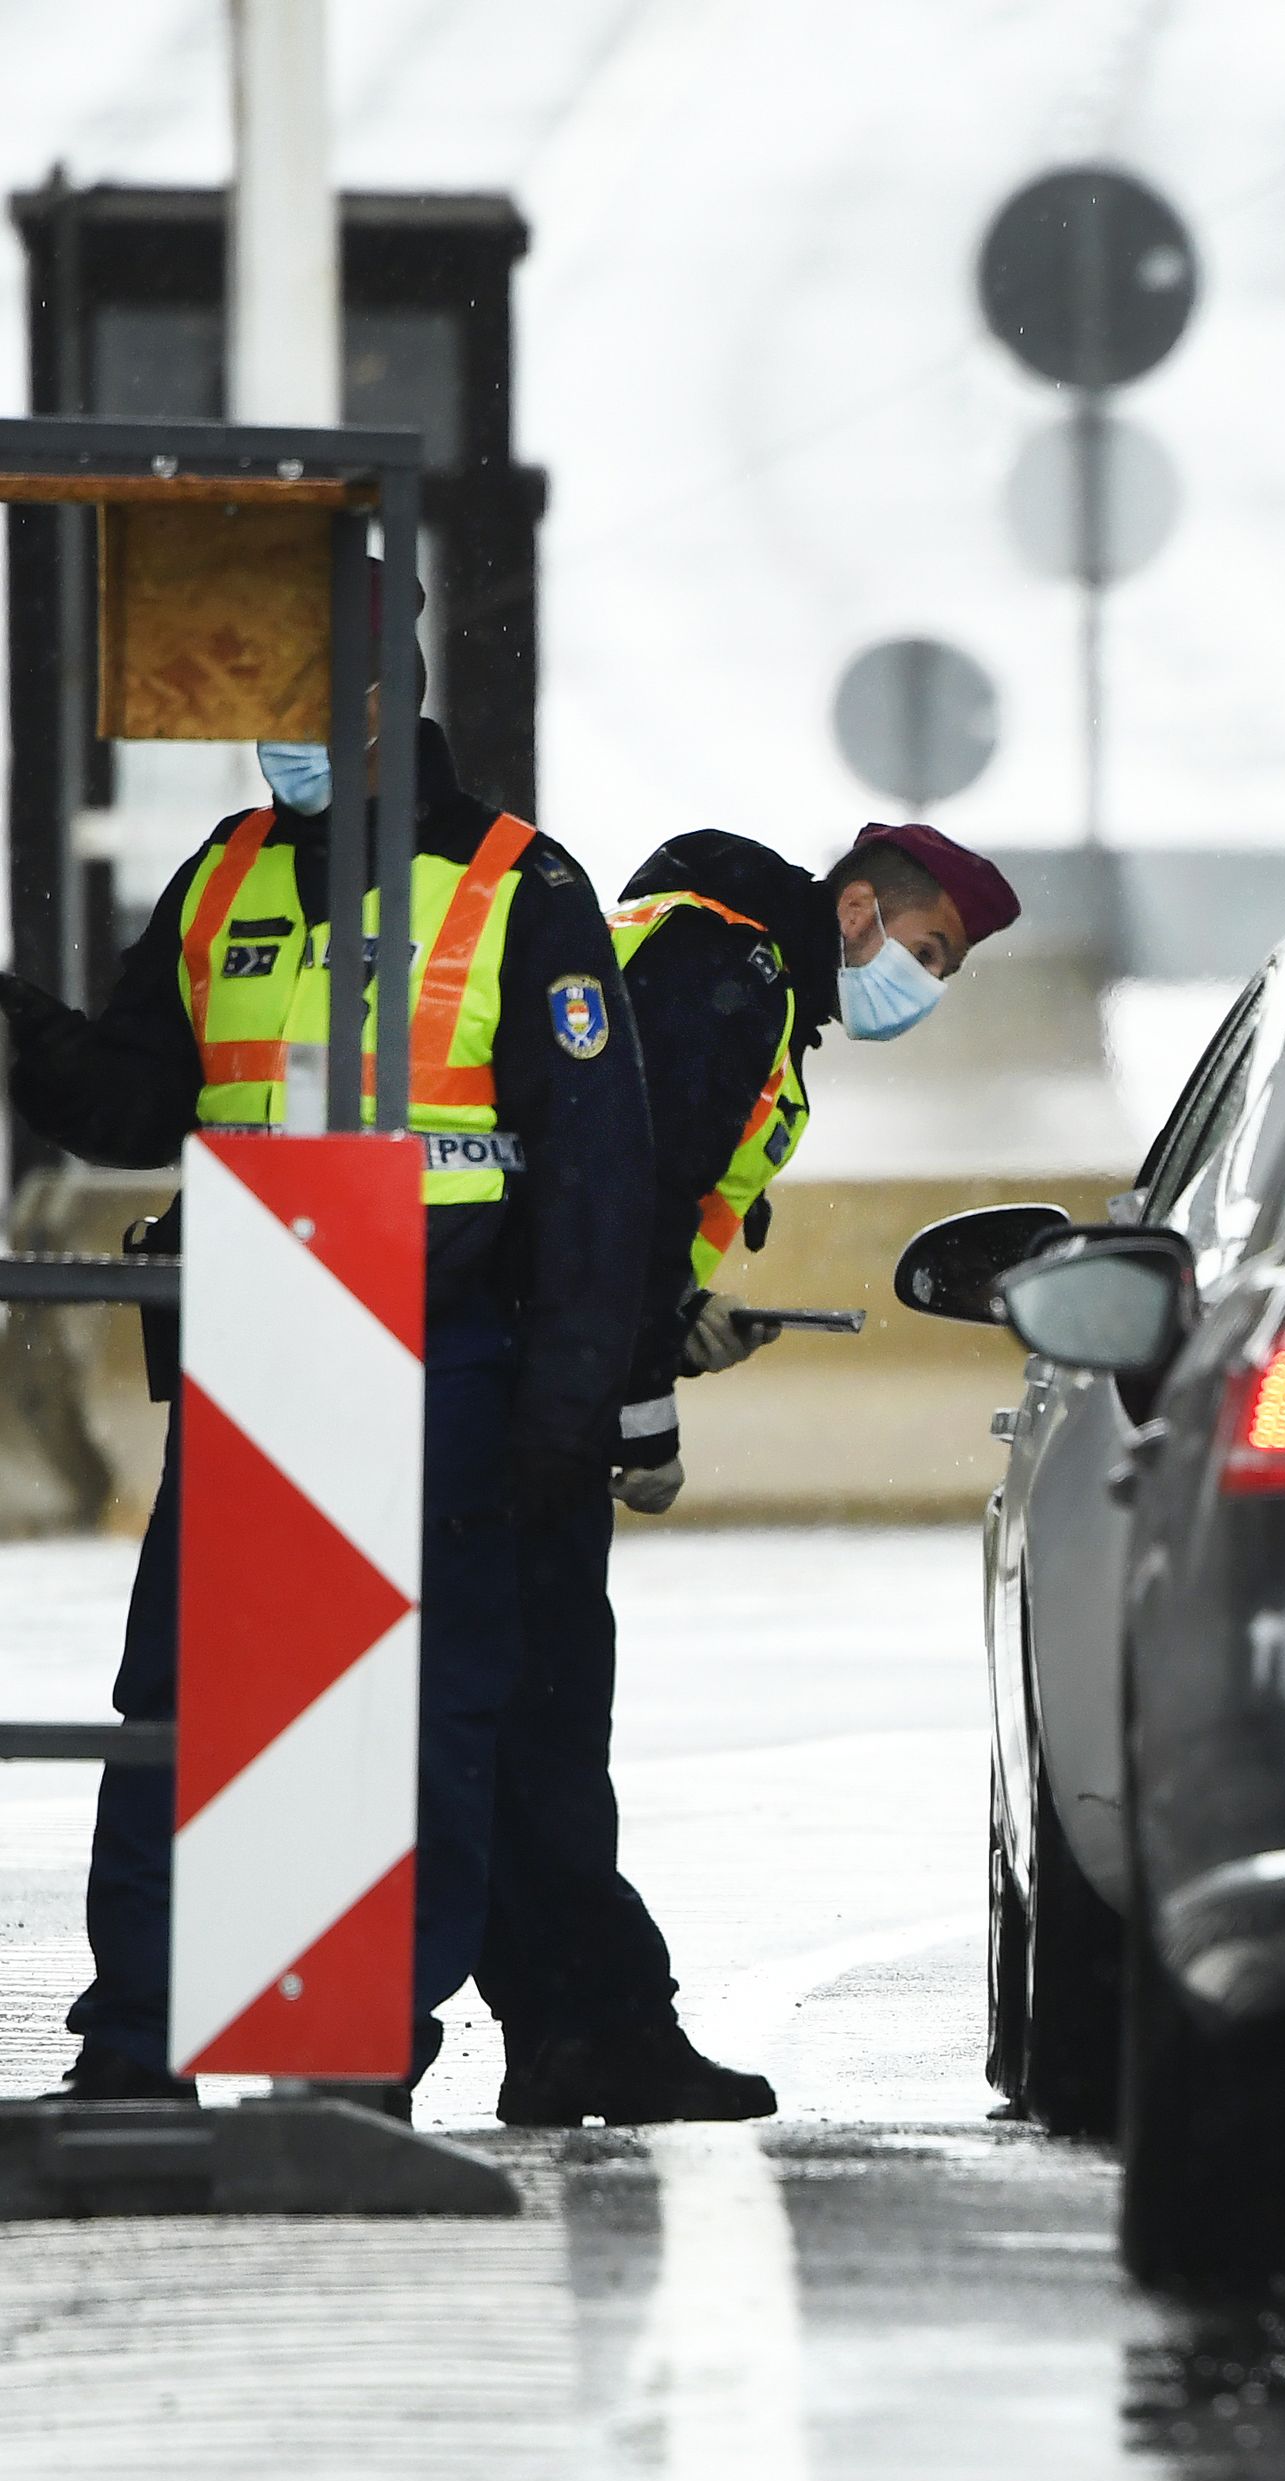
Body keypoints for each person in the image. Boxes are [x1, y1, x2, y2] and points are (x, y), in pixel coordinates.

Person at [0, 695, 648, 2107]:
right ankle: (136, 2050)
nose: (265, 737)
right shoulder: (225, 871)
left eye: (290, 701)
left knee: (419, 1721)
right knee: (180, 1707)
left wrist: (568, 1402)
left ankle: (360, 2062)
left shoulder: (515, 886)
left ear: (375, 695)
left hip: (447, 1360)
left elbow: (599, 1172)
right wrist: (22, 1029)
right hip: (259, 1349)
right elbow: (136, 1099)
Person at [473, 821, 1017, 2126]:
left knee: (517, 1724)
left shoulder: (688, 946)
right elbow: (630, 1197)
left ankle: (564, 2030)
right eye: (927, 950)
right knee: (540, 1722)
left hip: (508, 1361)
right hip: (530, 1390)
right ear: (858, 913)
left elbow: (606, 1195)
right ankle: (599, 2026)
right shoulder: (735, 976)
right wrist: (641, 1411)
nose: (923, 987)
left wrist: (676, 1320)